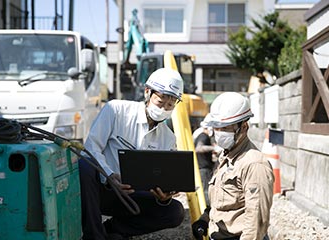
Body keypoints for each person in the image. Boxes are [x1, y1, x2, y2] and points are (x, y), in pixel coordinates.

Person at [79, 68, 185, 240]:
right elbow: (91, 147)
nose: (164, 108)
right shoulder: (116, 110)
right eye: (160, 102)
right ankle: (94, 236)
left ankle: (111, 231)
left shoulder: (168, 138)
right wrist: (110, 175)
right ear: (147, 93)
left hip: (134, 196)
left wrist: (164, 197)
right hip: (103, 190)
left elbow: (162, 177)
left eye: (170, 105)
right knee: (84, 164)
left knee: (175, 212)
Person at [192, 92, 274, 240]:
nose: (219, 133)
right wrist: (204, 220)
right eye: (216, 128)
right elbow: (220, 203)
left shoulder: (255, 164)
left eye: (225, 128)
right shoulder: (225, 157)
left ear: (243, 127)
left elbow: (256, 222)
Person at [193, 120, 219, 205]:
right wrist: (214, 148)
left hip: (203, 167)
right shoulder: (203, 136)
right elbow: (199, 148)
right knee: (206, 191)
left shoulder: (201, 136)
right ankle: (207, 211)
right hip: (204, 168)